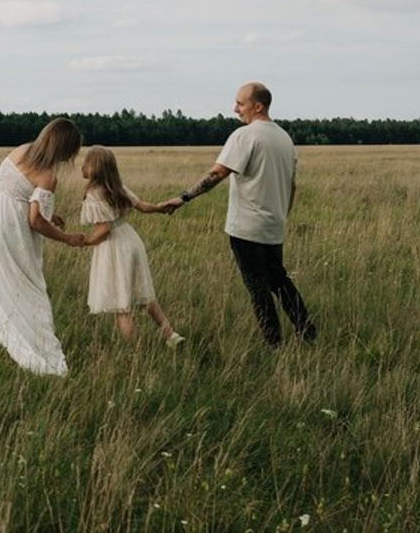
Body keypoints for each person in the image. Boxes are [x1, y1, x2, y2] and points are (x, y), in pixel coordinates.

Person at [163, 82, 315, 347]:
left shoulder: (245, 136)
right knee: (279, 280)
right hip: (273, 226)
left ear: (258, 106)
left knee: (258, 288)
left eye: (240, 103)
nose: (235, 109)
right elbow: (292, 186)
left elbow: (217, 173)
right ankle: (307, 330)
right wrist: (281, 216)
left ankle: (274, 344)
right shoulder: (284, 138)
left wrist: (183, 197)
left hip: (247, 228)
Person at [0, 118, 87, 375]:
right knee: (25, 287)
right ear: (66, 150)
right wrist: (68, 238)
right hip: (7, 228)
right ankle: (39, 356)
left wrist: (50, 216)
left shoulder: (21, 150)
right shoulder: (48, 176)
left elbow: (20, 194)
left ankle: (3, 335)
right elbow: (34, 221)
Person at [80, 145, 183, 346]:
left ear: (95, 168)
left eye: (86, 162)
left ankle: (134, 351)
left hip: (114, 247)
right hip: (130, 239)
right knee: (145, 294)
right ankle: (171, 336)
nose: (82, 166)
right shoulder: (117, 187)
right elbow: (143, 207)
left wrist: (83, 241)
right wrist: (161, 208)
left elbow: (104, 230)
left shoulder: (94, 194)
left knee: (121, 304)